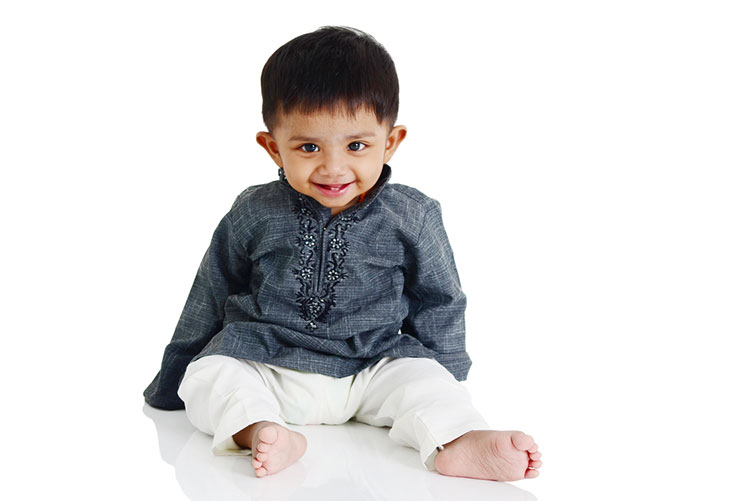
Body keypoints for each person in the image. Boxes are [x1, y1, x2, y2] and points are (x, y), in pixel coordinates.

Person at [144, 26, 542, 481]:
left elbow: (440, 299)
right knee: (210, 375)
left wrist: (445, 379)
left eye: (356, 145)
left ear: (390, 142)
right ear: (273, 146)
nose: (334, 168)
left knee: (424, 381)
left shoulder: (412, 214)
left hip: (373, 366)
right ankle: (261, 429)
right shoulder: (254, 210)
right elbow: (212, 289)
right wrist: (174, 376)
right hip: (268, 364)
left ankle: (456, 439)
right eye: (308, 147)